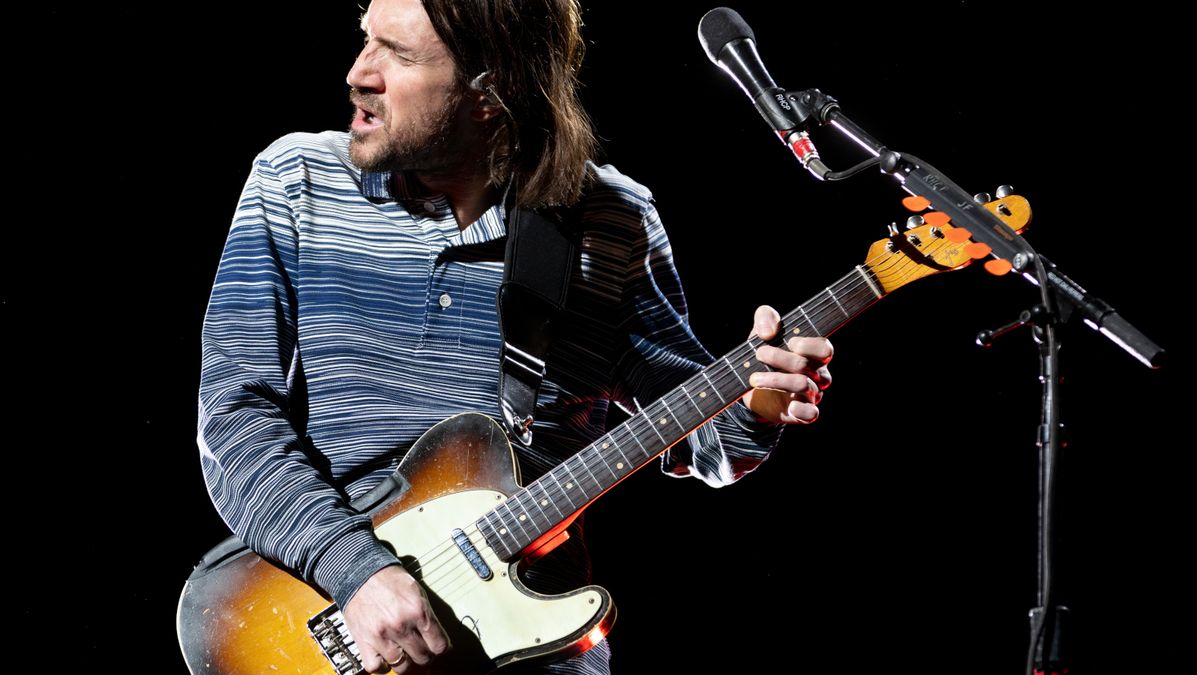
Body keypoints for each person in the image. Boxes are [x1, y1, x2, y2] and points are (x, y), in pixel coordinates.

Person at [196, 0, 833, 673]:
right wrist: (356, 571)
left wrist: (757, 404)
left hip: (535, 647)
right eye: (365, 41)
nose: (358, 73)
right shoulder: (297, 181)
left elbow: (707, 435)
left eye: (398, 54)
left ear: (492, 90)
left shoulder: (611, 219)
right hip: (324, 617)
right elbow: (235, 418)